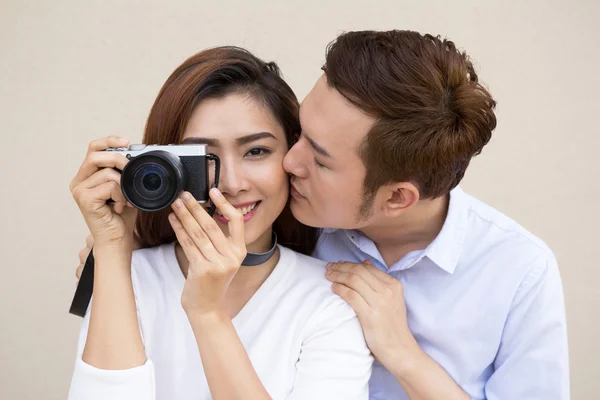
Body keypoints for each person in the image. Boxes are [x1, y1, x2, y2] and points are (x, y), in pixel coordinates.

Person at [76, 30, 570, 399]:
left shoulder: (518, 269)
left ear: (396, 198)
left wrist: (403, 355)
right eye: (298, 135)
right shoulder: (289, 220)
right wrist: (114, 262)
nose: (291, 164)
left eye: (316, 154)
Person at [67, 46, 373, 400]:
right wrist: (111, 249)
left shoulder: (329, 301)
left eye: (256, 151)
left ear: (292, 154)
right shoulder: (127, 276)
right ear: (163, 165)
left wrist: (208, 313)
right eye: (203, 157)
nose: (231, 183)